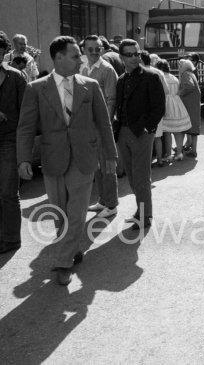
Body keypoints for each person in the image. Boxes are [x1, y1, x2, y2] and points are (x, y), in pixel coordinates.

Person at [17, 36, 117, 284]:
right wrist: (23, 159)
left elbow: (104, 123)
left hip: (84, 158)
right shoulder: (36, 88)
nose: (80, 60)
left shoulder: (90, 85)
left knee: (77, 211)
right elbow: (26, 127)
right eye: (75, 55)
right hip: (53, 159)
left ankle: (63, 261)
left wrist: (111, 156)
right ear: (58, 57)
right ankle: (71, 248)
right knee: (59, 212)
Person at [114, 39, 165, 230]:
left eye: (136, 53)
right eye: (129, 54)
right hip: (123, 132)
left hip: (141, 133)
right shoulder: (121, 79)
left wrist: (147, 128)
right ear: (121, 57)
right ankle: (139, 210)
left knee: (141, 176)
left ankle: (145, 216)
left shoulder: (151, 77)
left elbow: (159, 107)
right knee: (132, 176)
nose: (134, 57)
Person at [81, 35, 119, 218]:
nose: (95, 52)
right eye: (91, 49)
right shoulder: (82, 67)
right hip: (87, 124)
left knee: (107, 165)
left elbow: (112, 100)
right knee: (97, 165)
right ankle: (103, 200)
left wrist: (107, 124)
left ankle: (111, 205)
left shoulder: (107, 70)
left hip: (102, 124)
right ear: (83, 50)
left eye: (98, 48)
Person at [0, 31, 27, 254]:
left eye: (0, 52)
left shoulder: (16, 77)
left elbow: (27, 113)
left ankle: (11, 239)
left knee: (8, 192)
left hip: (9, 140)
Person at [156, 59, 191, 161]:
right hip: (177, 103)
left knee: (167, 131)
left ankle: (168, 154)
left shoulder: (161, 78)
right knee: (178, 131)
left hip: (166, 104)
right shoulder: (174, 78)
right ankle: (179, 153)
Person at [178, 59, 201, 158]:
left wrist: (180, 93)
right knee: (194, 130)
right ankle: (193, 150)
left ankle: (180, 150)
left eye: (180, 65)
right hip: (194, 104)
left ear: (185, 66)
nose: (179, 67)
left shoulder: (185, 74)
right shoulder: (191, 73)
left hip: (188, 105)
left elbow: (189, 86)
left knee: (182, 128)